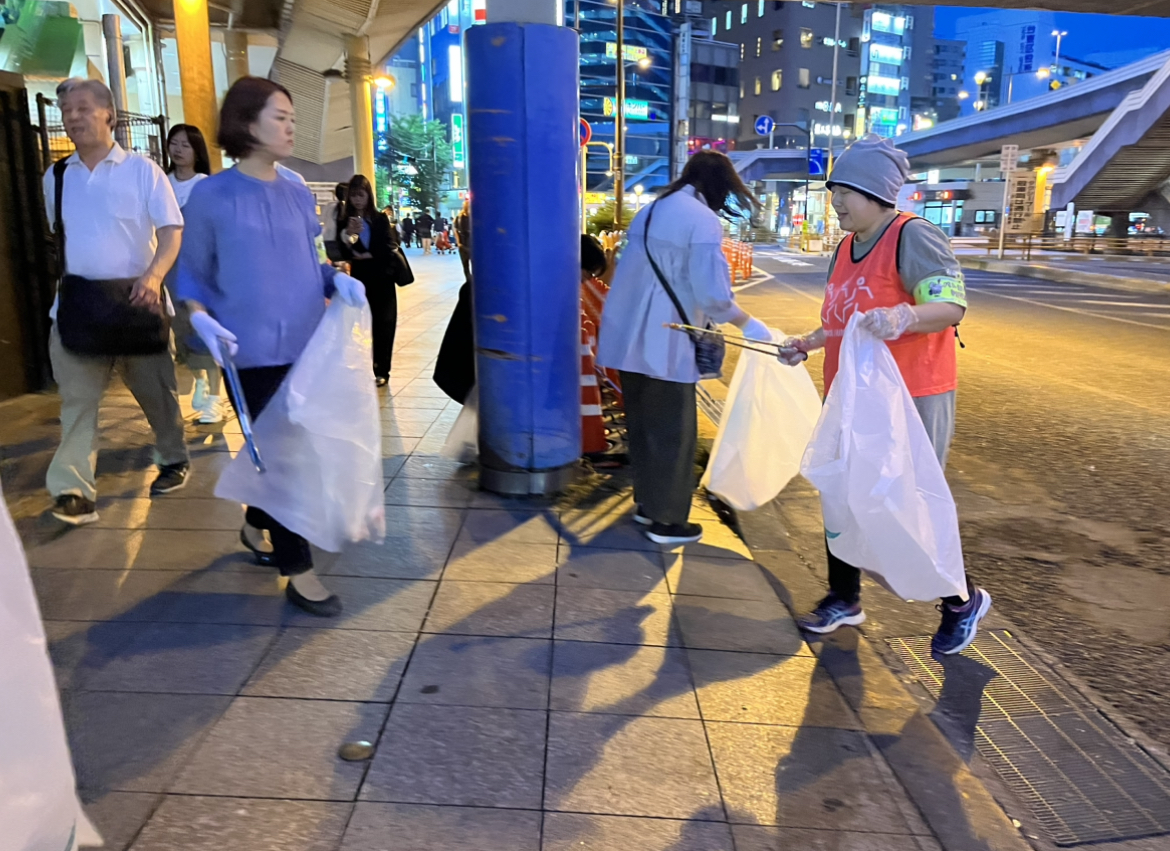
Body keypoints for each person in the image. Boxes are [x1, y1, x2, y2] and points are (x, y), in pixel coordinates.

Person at [778, 134, 991, 656]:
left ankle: (961, 601)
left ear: (876, 193)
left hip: (910, 397)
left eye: (845, 191)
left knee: (905, 503)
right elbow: (843, 321)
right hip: (851, 394)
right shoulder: (845, 247)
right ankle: (844, 597)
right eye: (833, 191)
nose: (836, 201)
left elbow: (951, 306)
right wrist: (807, 343)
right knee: (841, 493)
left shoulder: (912, 236)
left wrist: (904, 316)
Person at [176, 76, 369, 617]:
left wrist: (336, 280)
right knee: (286, 460)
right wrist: (199, 318)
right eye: (279, 117)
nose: (289, 127)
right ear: (246, 123)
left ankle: (256, 520)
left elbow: (312, 258)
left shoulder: (297, 191)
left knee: (301, 450)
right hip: (249, 350)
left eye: (291, 118)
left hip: (308, 347)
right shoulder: (211, 196)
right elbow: (191, 273)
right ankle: (298, 571)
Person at [596, 151, 771, 545]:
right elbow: (713, 295)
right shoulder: (701, 220)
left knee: (643, 428)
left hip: (627, 338)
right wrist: (748, 324)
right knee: (674, 435)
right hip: (666, 341)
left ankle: (648, 505)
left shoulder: (651, 211)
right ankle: (668, 522)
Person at [43, 78, 190, 525]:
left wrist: (154, 276)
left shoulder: (143, 171)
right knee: (78, 402)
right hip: (79, 307)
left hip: (137, 304)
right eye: (66, 110)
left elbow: (171, 231)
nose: (72, 117)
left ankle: (172, 457)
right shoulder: (56, 177)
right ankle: (73, 491)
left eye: (83, 108)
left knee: (156, 394)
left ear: (109, 114)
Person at [165, 123, 223, 425]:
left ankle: (215, 398)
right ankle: (200, 380)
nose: (178, 149)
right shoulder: (161, 183)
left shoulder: (205, 186)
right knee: (182, 331)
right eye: (174, 143)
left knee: (204, 331)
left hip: (200, 269)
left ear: (197, 151)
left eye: (185, 144)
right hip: (169, 269)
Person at [338, 173, 408, 385]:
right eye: (354, 196)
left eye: (361, 195)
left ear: (369, 195)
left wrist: (365, 254)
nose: (357, 200)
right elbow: (342, 251)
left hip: (382, 278)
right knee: (353, 323)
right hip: (360, 278)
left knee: (384, 325)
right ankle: (351, 365)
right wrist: (349, 235)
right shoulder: (345, 221)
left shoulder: (379, 219)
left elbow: (387, 247)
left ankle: (382, 371)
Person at [321, 182, 347, 262]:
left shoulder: (329, 206)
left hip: (328, 242)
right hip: (343, 244)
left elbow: (322, 220)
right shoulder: (349, 208)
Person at [454, 199, 472, 283]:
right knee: (472, 265)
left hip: (462, 244)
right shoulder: (472, 218)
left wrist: (458, 242)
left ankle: (469, 281)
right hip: (470, 244)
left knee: (465, 266)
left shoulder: (458, 217)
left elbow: (455, 231)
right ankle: (472, 281)